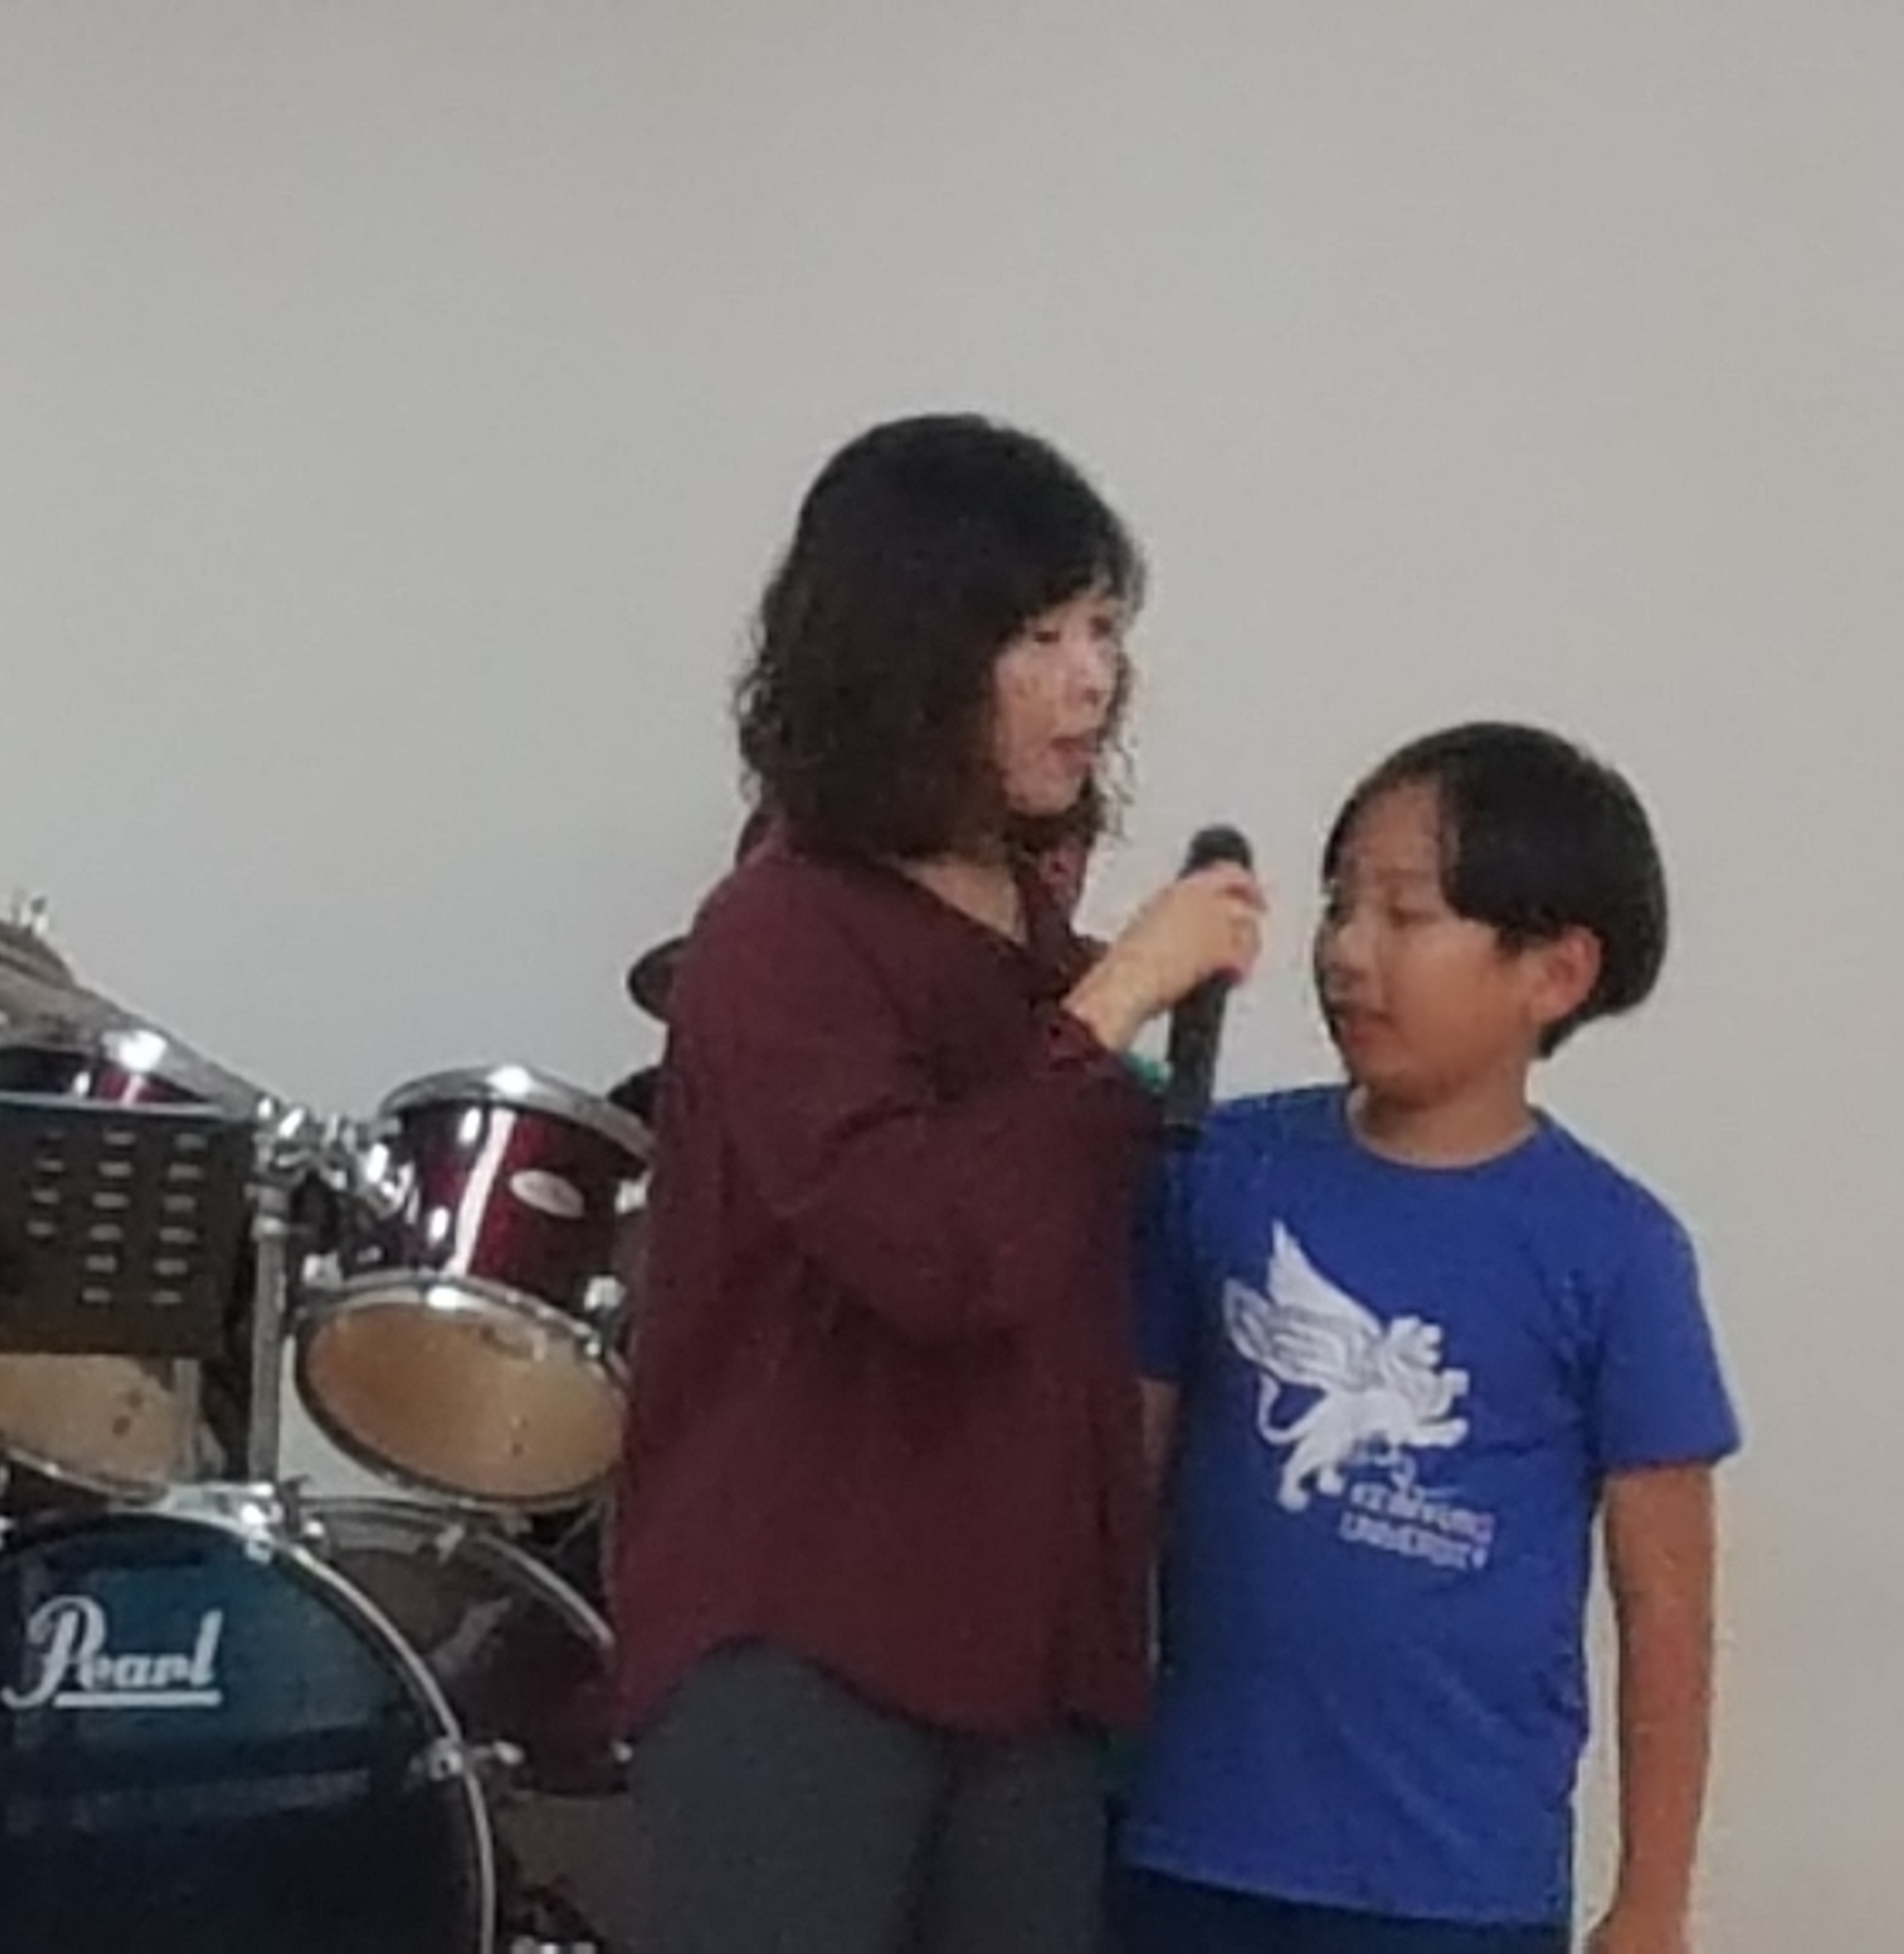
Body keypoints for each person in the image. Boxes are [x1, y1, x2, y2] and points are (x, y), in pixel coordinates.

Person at [609, 411, 1264, 1954]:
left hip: (1029, 1650)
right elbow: (931, 1250)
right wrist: (1113, 1007)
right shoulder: (781, 929)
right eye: (1039, 637)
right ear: (908, 657)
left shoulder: (1028, 937)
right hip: (805, 1634)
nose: (1092, 680)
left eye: (1103, 629)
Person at [1120, 723, 1740, 1954]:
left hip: (1457, 1885)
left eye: (1405, 915)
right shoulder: (1218, 1173)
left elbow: (1665, 1602)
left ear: (1555, 973)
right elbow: (1120, 1484)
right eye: (1339, 906)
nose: (1348, 951)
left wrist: (1651, 1903)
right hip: (1185, 1847)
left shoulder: (1617, 1249)